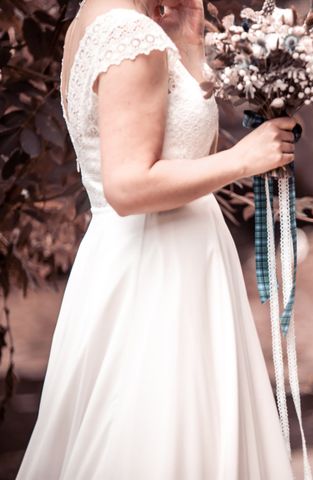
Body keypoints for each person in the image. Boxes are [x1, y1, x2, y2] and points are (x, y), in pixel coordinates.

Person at [17, 0, 297, 478]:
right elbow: (128, 187)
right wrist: (245, 160)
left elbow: (182, 158)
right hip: (161, 271)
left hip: (145, 255)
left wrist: (189, 47)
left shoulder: (100, 20)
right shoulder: (130, 32)